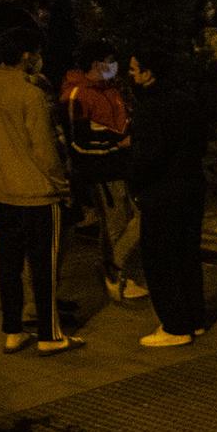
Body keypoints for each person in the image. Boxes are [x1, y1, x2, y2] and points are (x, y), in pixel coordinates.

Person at [0, 27, 79, 354]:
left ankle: (13, 330)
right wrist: (62, 186)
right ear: (27, 55)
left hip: (2, 191)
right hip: (38, 193)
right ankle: (50, 334)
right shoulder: (30, 94)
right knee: (43, 266)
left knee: (9, 263)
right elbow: (45, 149)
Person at [128, 49, 211, 347]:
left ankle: (175, 325)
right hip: (191, 185)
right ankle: (194, 318)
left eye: (135, 69)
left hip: (162, 191)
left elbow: (147, 156)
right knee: (187, 254)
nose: (131, 75)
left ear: (150, 73)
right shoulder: (186, 101)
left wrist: (135, 183)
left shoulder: (150, 107)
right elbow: (202, 141)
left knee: (161, 259)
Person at [61, 38, 147, 303]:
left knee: (124, 224)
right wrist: (119, 145)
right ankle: (115, 274)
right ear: (97, 64)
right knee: (119, 226)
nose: (115, 66)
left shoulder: (108, 89)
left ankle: (115, 271)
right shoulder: (77, 95)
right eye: (110, 61)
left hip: (119, 168)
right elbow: (78, 142)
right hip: (102, 172)